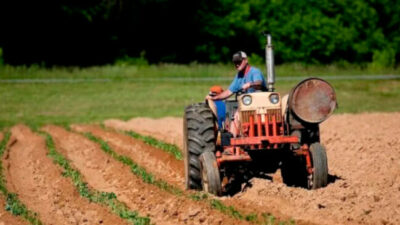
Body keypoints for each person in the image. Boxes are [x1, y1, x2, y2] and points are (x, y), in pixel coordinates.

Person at [206, 51, 267, 136]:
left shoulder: (255, 72)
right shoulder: (239, 76)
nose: (237, 65)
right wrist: (214, 98)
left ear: (246, 60)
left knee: (238, 115)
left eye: (239, 62)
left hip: (262, 106)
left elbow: (259, 84)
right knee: (236, 117)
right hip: (247, 107)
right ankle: (232, 143)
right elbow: (228, 92)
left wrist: (250, 84)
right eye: (235, 63)